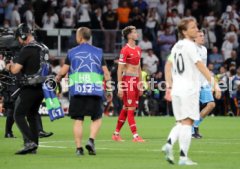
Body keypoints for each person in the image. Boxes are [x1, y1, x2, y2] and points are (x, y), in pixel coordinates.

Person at [162, 18, 221, 165]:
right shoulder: (190, 46)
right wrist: (214, 84)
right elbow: (201, 66)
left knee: (181, 122)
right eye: (193, 27)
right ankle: (183, 157)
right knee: (188, 123)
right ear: (184, 31)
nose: (196, 29)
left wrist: (169, 85)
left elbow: (168, 66)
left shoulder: (176, 46)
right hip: (189, 89)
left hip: (177, 89)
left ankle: (169, 144)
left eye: (196, 27)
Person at [56, 27, 112, 156]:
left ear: (80, 37)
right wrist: (109, 89)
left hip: (77, 91)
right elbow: (106, 73)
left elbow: (62, 72)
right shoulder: (98, 52)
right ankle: (91, 140)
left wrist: (56, 80)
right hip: (95, 90)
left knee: (78, 120)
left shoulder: (72, 52)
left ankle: (79, 149)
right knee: (97, 118)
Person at [5, 23, 48, 154]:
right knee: (32, 115)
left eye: (19, 37)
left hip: (30, 86)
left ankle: (29, 142)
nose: (18, 40)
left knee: (18, 114)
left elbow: (15, 70)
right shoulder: (43, 47)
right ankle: (34, 146)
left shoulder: (27, 49)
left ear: (23, 35)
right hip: (42, 87)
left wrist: (9, 66)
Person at [112, 25, 145, 142]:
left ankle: (116, 134)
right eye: (135, 32)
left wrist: (140, 84)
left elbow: (139, 67)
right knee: (130, 108)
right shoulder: (124, 50)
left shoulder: (138, 49)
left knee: (126, 108)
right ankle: (135, 136)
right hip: (128, 81)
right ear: (129, 35)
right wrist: (120, 87)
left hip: (136, 81)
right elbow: (119, 69)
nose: (137, 34)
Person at [192, 30, 216, 139]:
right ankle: (192, 130)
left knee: (211, 104)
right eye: (200, 36)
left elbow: (204, 67)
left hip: (204, 82)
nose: (203, 37)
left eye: (203, 35)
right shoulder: (191, 49)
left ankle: (195, 125)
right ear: (194, 38)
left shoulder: (204, 49)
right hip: (193, 82)